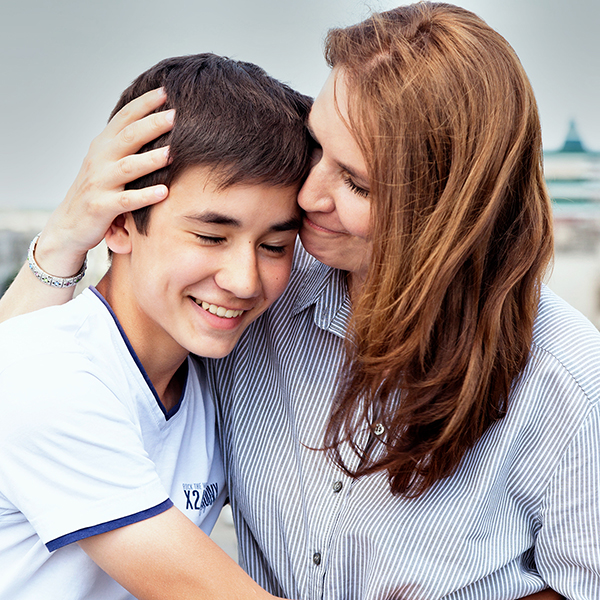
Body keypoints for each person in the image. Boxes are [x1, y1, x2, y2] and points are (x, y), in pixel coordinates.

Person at [0, 3, 590, 600]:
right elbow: (25, 376)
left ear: (446, 210)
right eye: (317, 149)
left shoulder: (566, 379)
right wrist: (63, 240)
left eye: (355, 182)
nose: (308, 197)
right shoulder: (242, 307)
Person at [0, 53, 312, 599]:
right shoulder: (48, 376)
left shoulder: (214, 378)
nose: (244, 281)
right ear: (120, 224)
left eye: (274, 246)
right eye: (210, 237)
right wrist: (59, 242)